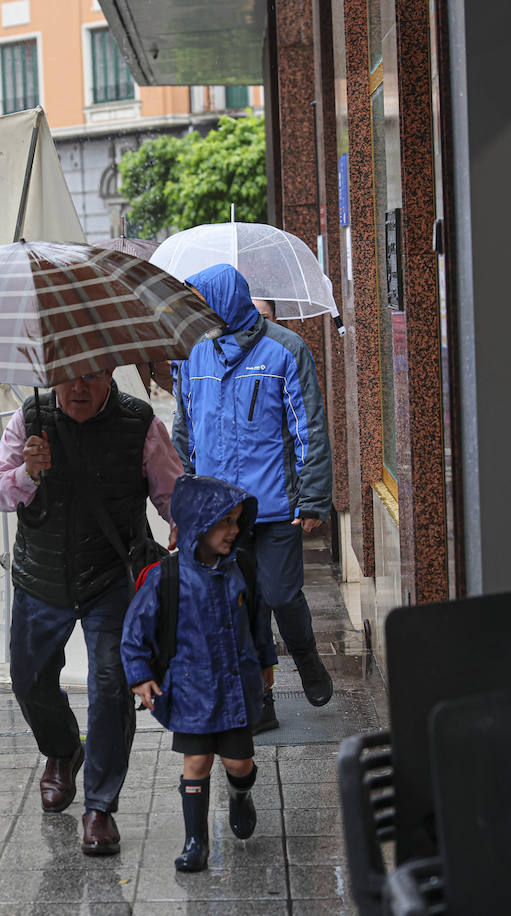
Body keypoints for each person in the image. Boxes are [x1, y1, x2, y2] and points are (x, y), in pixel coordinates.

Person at [0, 368, 181, 856]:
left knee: (112, 686)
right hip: (41, 576)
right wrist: (28, 472)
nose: (78, 388)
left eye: (90, 377)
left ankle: (100, 806)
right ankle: (61, 749)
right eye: (67, 377)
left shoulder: (140, 424)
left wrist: (190, 526)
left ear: (112, 369)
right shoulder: (29, 419)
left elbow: (170, 492)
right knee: (29, 680)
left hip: (112, 577)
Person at [172, 263, 334, 714]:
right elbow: (183, 431)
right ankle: (258, 699)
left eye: (201, 301)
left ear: (226, 300)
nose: (195, 311)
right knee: (240, 608)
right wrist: (177, 497)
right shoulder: (191, 355)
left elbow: (310, 429)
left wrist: (315, 496)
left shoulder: (285, 350)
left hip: (276, 506)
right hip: (218, 511)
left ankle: (308, 660)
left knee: (281, 595)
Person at [122, 475, 271, 872]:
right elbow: (134, 633)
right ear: (199, 525)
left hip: (236, 687)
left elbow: (258, 623)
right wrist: (139, 677)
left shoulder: (242, 571)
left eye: (238, 522)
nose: (234, 531)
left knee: (239, 764)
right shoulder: (164, 578)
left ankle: (241, 794)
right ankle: (195, 841)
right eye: (225, 522)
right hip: (190, 690)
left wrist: (266, 664)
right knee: (197, 761)